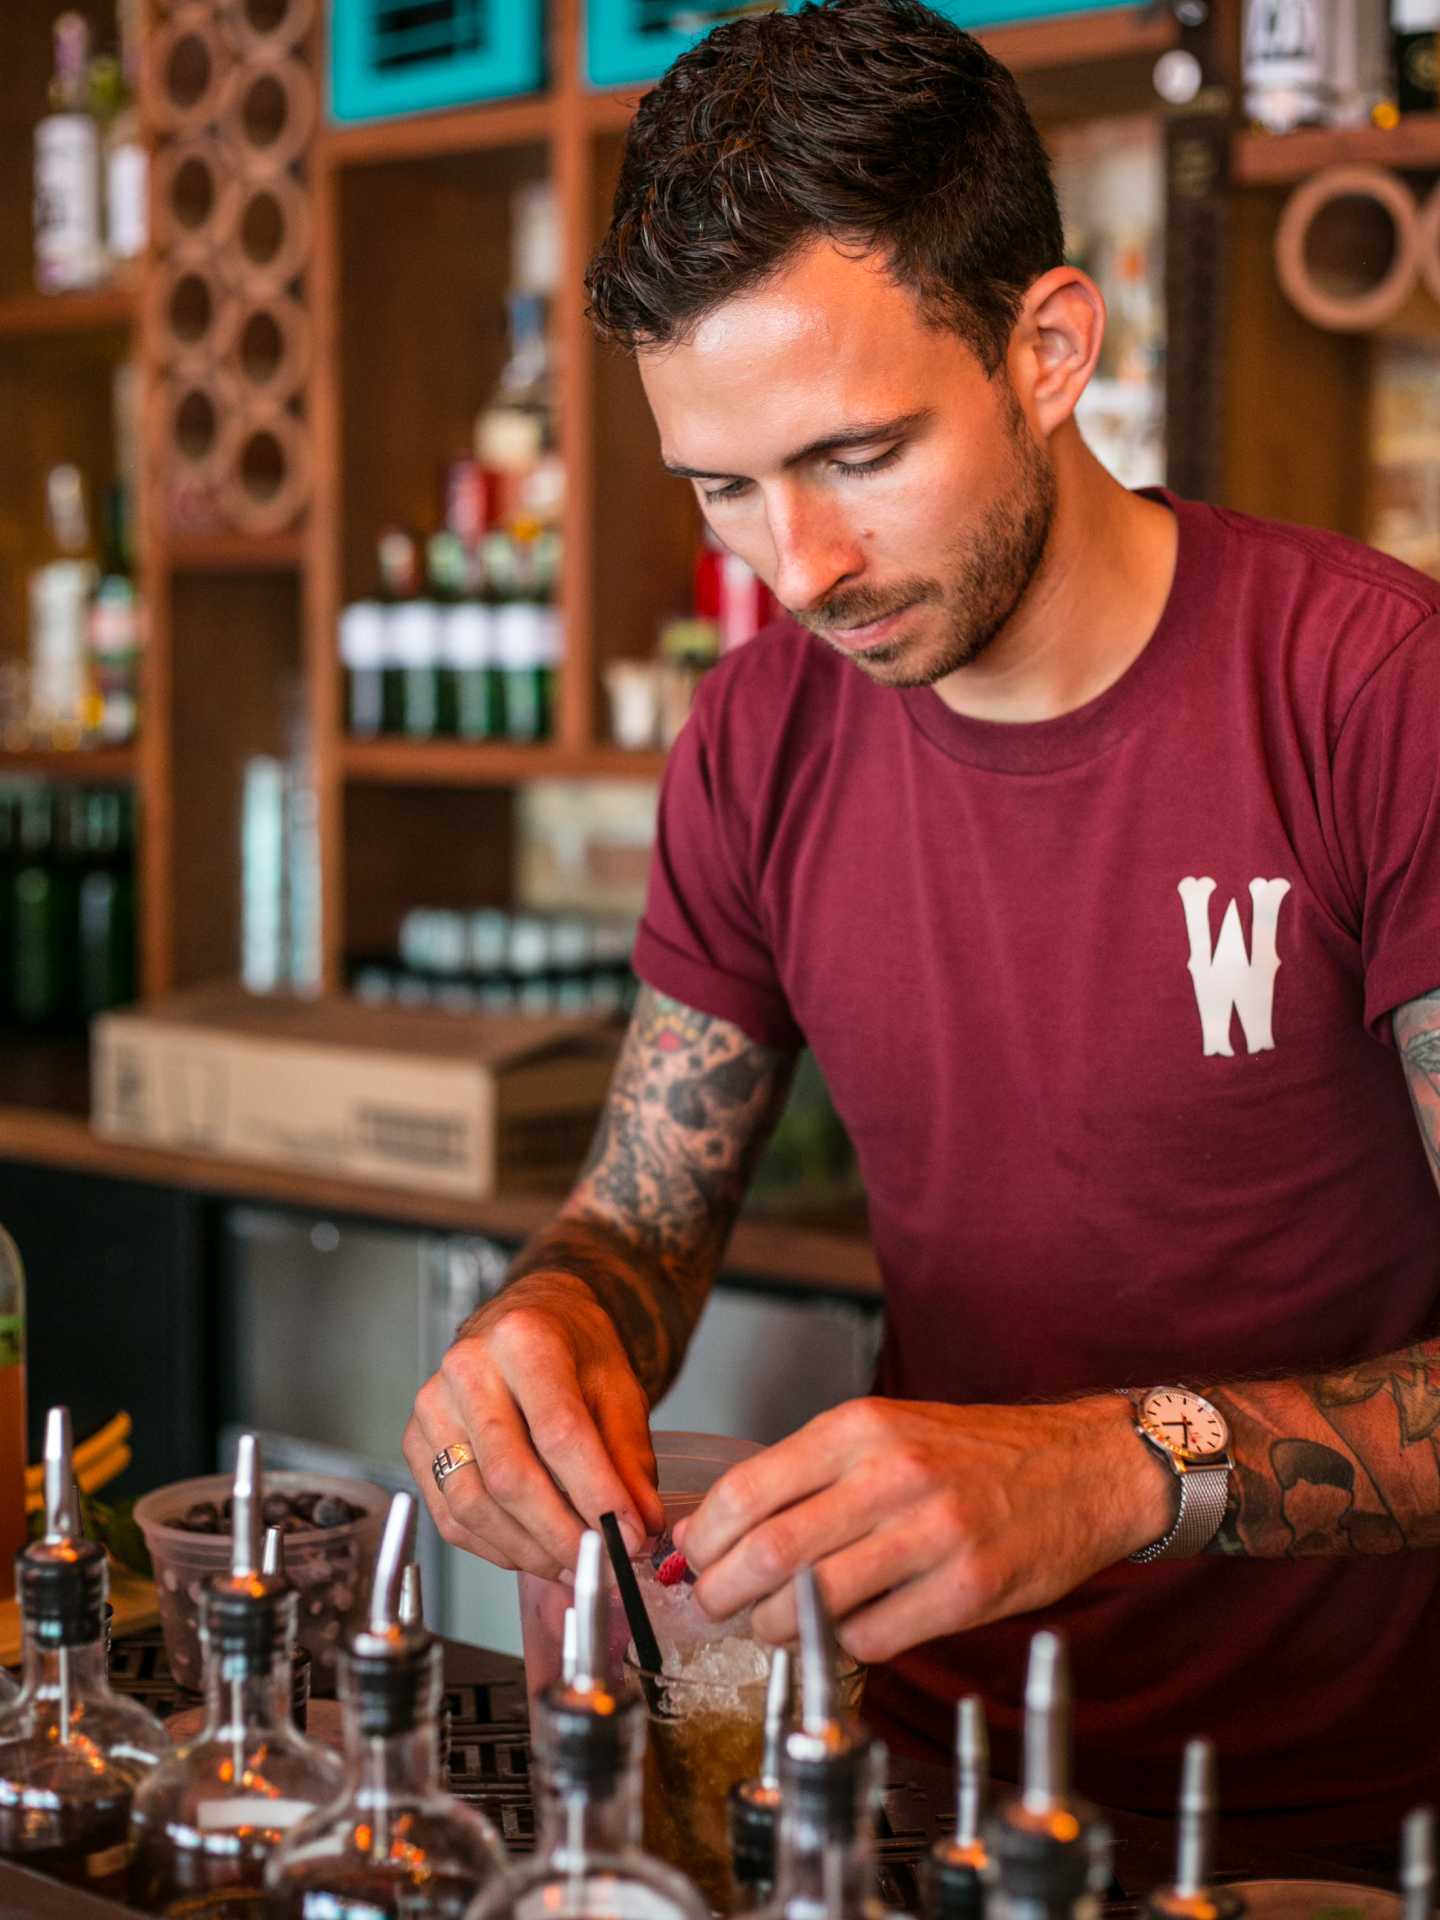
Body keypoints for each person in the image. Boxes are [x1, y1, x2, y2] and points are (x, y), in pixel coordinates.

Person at [406, 0, 1440, 1853]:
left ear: (1048, 348)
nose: (792, 571)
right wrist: (549, 1326)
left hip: (1340, 1825)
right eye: (724, 488)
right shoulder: (758, 736)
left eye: (856, 455)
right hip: (906, 1785)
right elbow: (644, 1218)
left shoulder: (1375, 699)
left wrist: (1110, 1472)